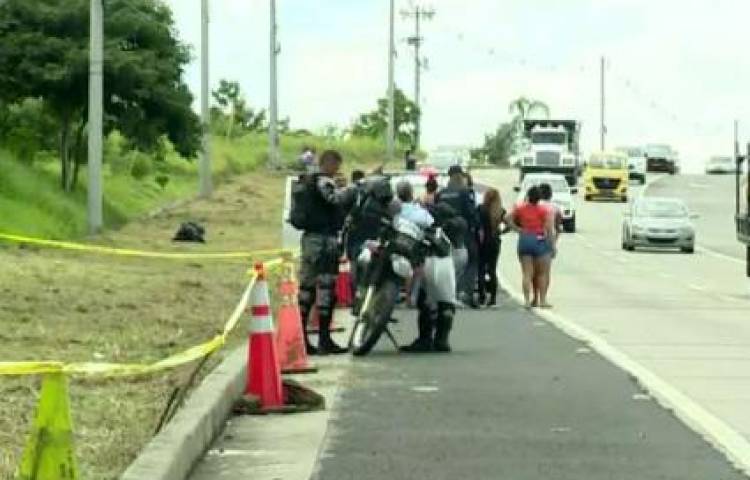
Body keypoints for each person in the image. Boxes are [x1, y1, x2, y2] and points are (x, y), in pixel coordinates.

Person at [296, 150, 351, 355]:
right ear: (330, 163)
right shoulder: (324, 182)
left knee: (307, 289)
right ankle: (324, 340)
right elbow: (334, 200)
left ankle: (302, 339)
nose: (337, 170)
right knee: (326, 289)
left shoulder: (308, 182)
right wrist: (348, 188)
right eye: (337, 166)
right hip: (324, 240)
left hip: (310, 239)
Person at [436, 165, 479, 308]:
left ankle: (444, 292)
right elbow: (470, 212)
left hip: (444, 231)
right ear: (460, 176)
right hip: (462, 231)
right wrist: (476, 226)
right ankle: (463, 292)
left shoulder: (441, 193)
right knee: (471, 260)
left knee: (446, 261)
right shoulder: (464, 192)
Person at [508, 185, 556, 309]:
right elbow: (549, 229)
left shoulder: (520, 208)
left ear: (528, 196)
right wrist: (552, 246)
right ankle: (543, 300)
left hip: (525, 239)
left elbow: (507, 218)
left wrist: (518, 229)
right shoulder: (543, 210)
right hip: (539, 239)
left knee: (527, 273)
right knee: (543, 273)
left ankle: (527, 301)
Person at [477, 188, 507, 307]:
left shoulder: (480, 209)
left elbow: (477, 224)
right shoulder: (500, 211)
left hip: (483, 241)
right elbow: (509, 223)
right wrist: (502, 232)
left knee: (481, 269)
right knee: (492, 270)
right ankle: (493, 298)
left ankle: (481, 296)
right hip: (494, 240)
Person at [536, 183, 562, 306]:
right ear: (550, 195)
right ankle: (543, 299)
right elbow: (558, 227)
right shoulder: (555, 208)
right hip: (547, 240)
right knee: (545, 272)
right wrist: (554, 243)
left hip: (533, 239)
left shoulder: (533, 205)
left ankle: (534, 297)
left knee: (533, 271)